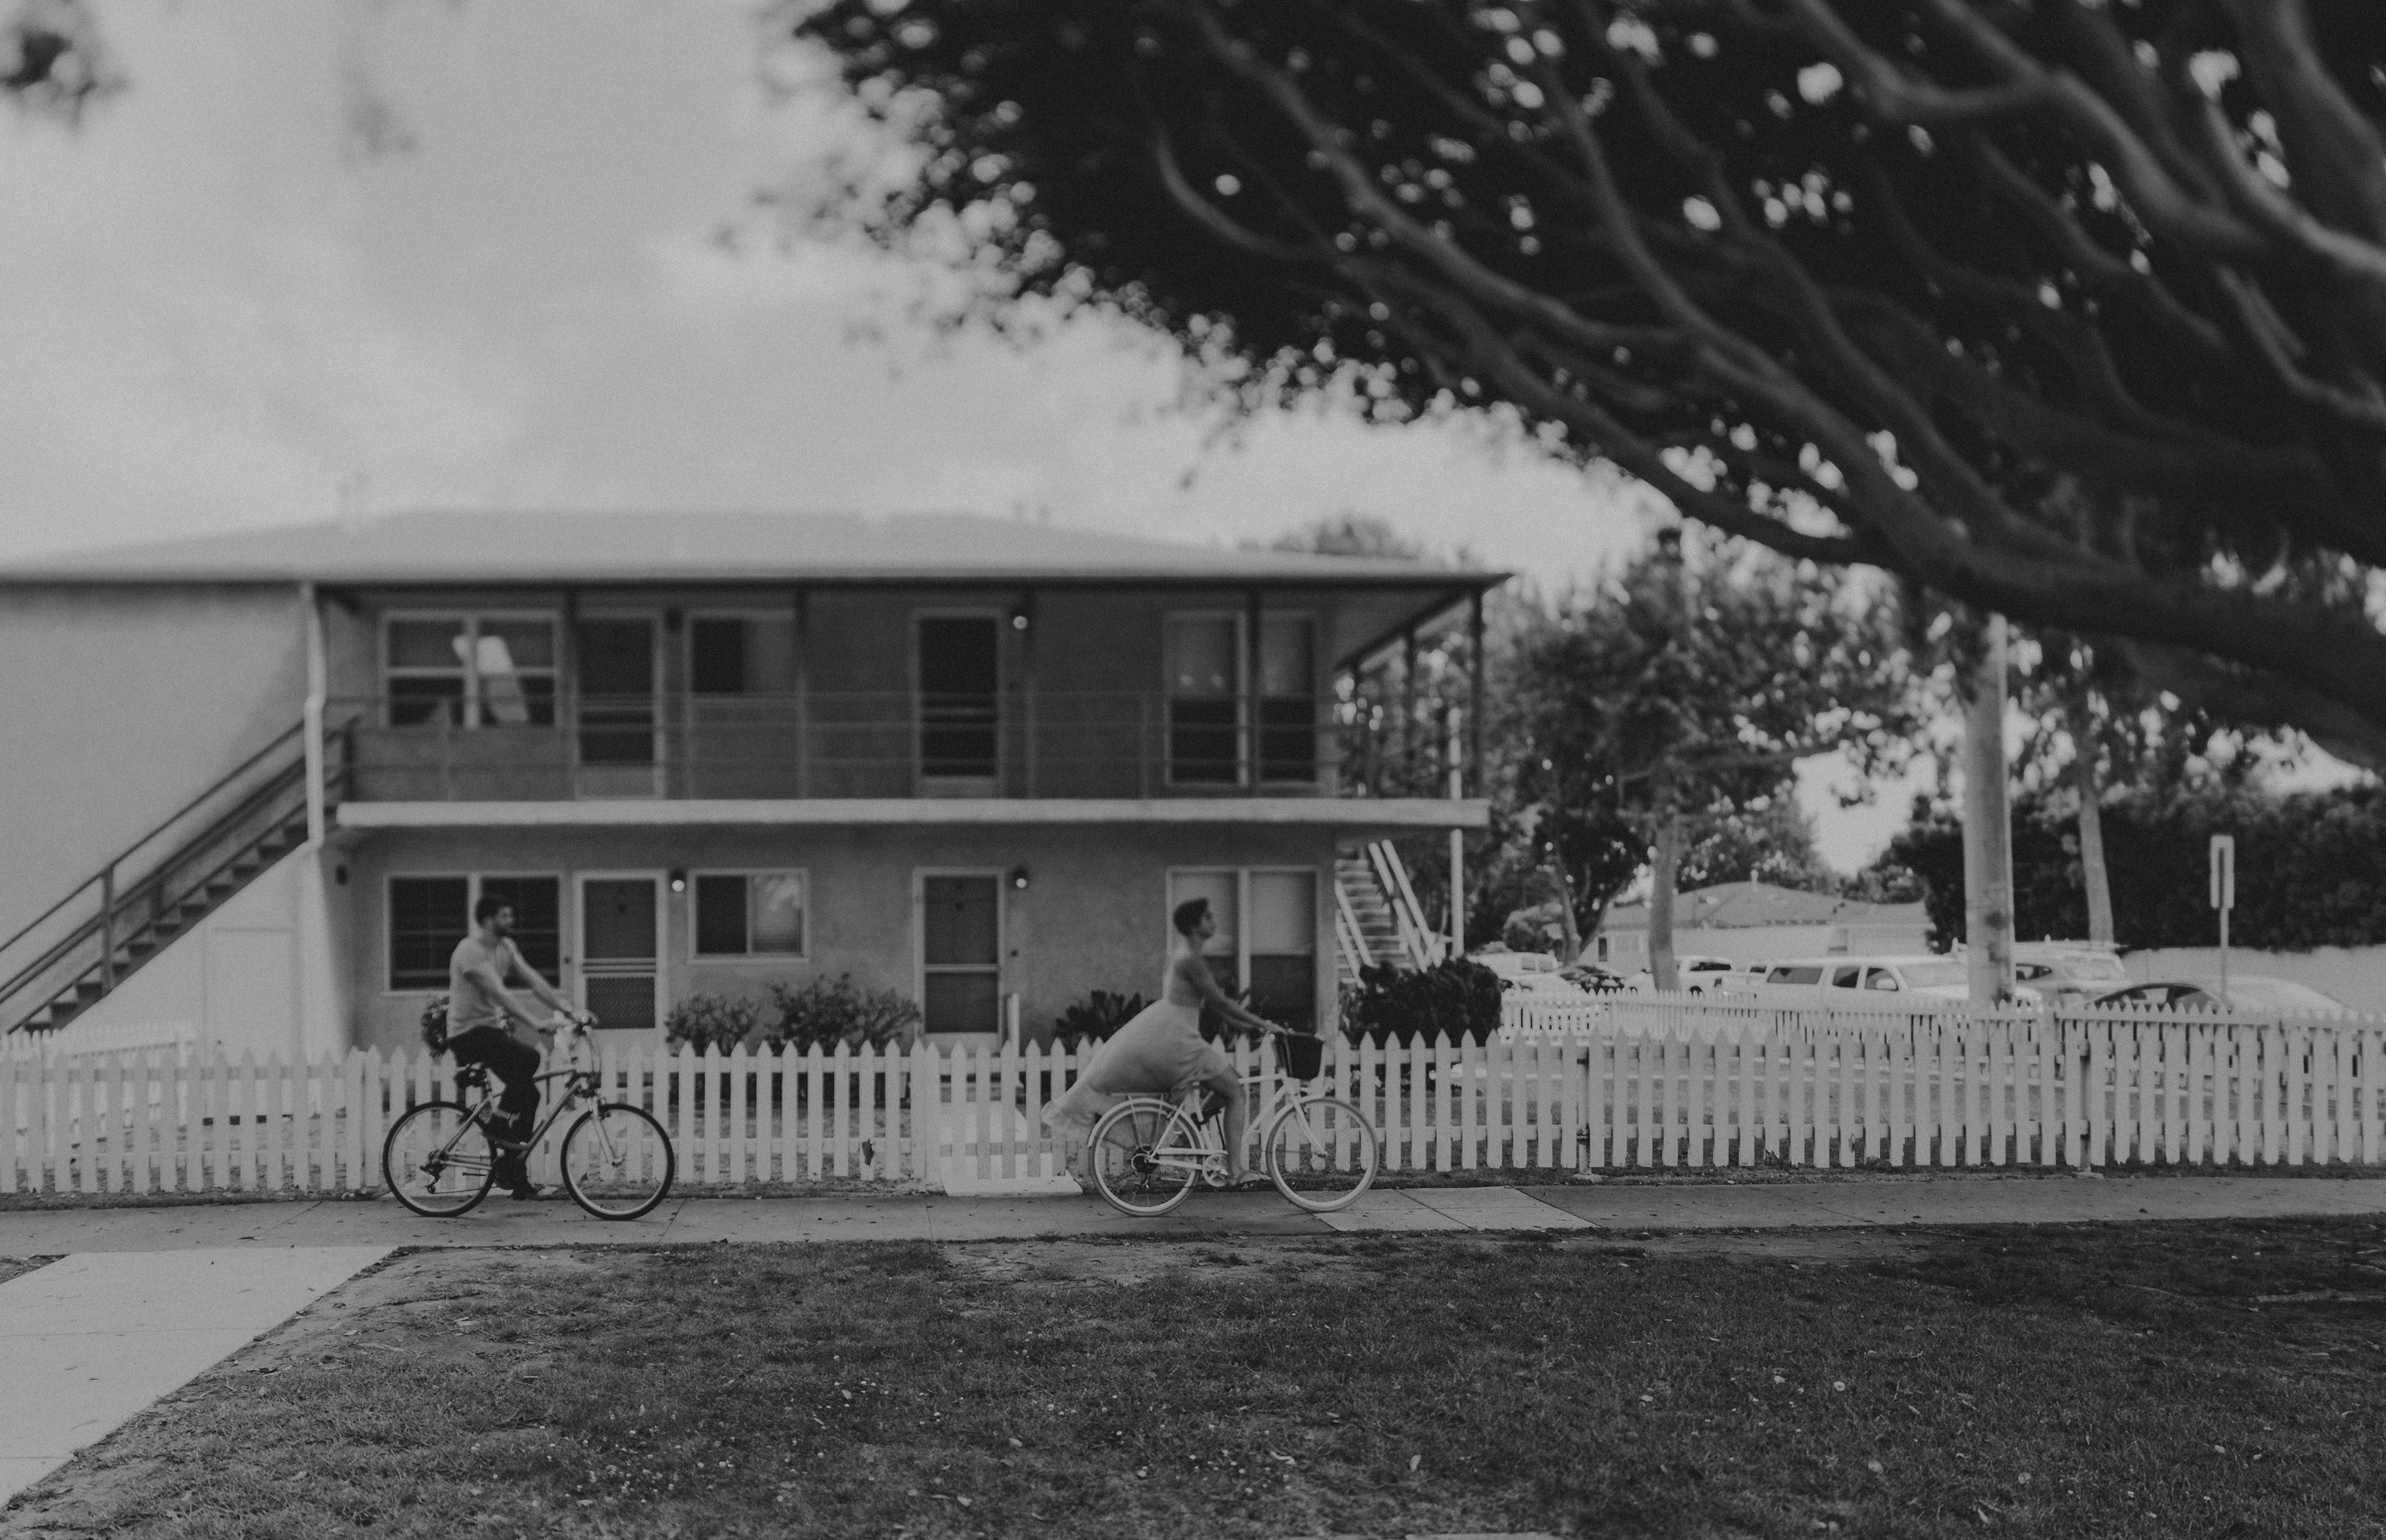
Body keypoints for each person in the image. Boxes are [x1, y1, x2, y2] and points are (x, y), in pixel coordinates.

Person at [1043, 896, 1279, 1187]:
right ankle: (1235, 1171)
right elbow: (1222, 1003)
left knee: (1229, 1086)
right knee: (1235, 1091)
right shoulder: (1190, 960)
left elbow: (1219, 1009)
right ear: (1194, 925)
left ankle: (1192, 1128)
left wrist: (1249, 1026)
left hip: (1171, 1029)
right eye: (1208, 917)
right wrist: (1264, 1023)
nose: (1214, 922)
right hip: (1178, 1038)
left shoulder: (1180, 954)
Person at [445, 895, 593, 1199]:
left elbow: (534, 981)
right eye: (504, 916)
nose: (510, 921)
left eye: (510, 915)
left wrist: (569, 1011)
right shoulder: (469, 951)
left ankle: (512, 1171)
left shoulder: (505, 948)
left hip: (490, 1029)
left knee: (530, 1094)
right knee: (528, 1058)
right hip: (468, 1032)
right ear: (486, 919)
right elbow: (498, 993)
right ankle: (498, 1125)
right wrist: (534, 1022)